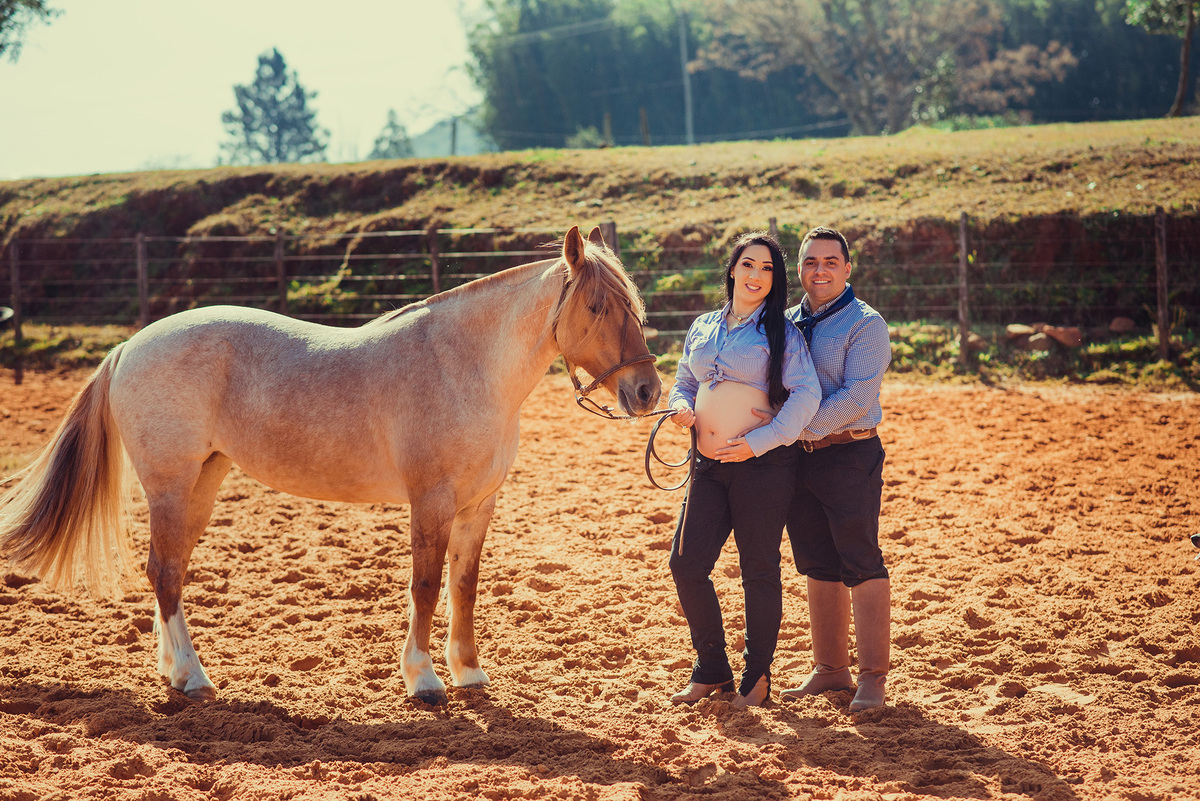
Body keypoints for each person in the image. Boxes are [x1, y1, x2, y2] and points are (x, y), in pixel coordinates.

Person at [666, 232, 822, 708]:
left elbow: (807, 394)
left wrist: (758, 442)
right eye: (749, 264)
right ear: (732, 269)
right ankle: (712, 668)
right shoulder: (703, 326)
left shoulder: (783, 333)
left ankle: (757, 677)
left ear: (775, 280)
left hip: (764, 467)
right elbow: (684, 379)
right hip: (708, 465)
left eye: (768, 269)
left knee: (758, 569)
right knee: (686, 564)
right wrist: (680, 406)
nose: (756, 275)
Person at [777, 226, 893, 712]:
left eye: (830, 262)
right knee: (816, 561)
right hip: (798, 458)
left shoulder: (866, 324)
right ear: (799, 269)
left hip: (849, 453)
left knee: (860, 559)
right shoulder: (785, 321)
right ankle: (830, 670)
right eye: (810, 261)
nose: (819, 270)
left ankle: (873, 678)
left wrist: (789, 429)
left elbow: (857, 396)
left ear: (847, 268)